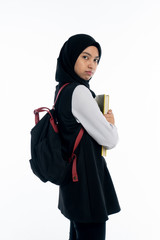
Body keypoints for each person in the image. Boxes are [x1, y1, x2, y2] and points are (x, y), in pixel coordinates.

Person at [54, 34, 120, 240]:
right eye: (85, 57)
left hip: (73, 182)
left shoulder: (62, 90)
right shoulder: (79, 92)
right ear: (71, 56)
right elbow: (110, 140)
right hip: (86, 182)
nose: (91, 65)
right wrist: (110, 124)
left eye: (96, 60)